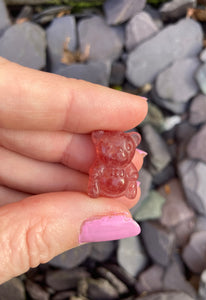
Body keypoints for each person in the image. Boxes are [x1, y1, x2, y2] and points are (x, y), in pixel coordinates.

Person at [0, 57, 148, 284]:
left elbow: (129, 174)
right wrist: (96, 186)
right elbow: (96, 175)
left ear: (132, 143)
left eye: (123, 150)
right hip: (106, 185)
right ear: (100, 144)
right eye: (110, 148)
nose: (117, 154)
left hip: (117, 184)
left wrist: (127, 186)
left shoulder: (119, 163)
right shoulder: (99, 163)